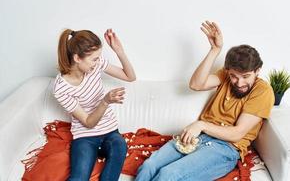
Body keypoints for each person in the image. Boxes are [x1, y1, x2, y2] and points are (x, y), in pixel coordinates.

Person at [135, 21, 274, 181]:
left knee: (169, 174)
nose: (239, 82)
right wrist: (215, 50)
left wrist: (201, 125)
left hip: (225, 148)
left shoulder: (262, 91)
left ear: (257, 71)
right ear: (228, 71)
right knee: (148, 166)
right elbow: (196, 84)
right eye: (234, 76)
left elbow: (237, 133)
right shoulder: (224, 76)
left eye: (246, 76)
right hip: (198, 137)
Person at [53, 28, 136, 181]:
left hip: (110, 131)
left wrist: (119, 51)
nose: (97, 62)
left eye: (98, 58)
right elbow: (88, 122)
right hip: (85, 136)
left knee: (119, 146)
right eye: (94, 59)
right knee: (79, 178)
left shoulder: (95, 65)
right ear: (77, 58)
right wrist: (105, 101)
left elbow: (130, 77)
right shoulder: (60, 88)